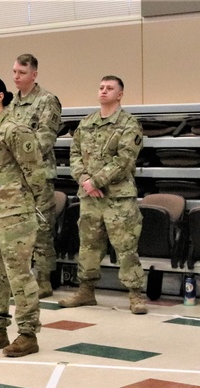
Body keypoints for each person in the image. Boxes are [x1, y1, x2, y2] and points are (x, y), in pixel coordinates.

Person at [0, 77, 50, 357]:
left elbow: (36, 174)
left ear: (0, 97)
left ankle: (28, 334)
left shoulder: (15, 130)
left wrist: (26, 206)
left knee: (19, 276)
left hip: (14, 215)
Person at [59, 76, 147, 315]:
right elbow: (74, 155)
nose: (104, 91)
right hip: (90, 198)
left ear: (120, 94)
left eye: (109, 88)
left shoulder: (129, 124)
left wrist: (95, 181)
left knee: (126, 246)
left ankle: (136, 294)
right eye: (101, 87)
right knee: (88, 245)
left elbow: (125, 160)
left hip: (118, 198)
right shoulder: (87, 123)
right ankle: (86, 291)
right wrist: (85, 181)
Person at [8, 53, 63, 297]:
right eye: (14, 72)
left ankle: (44, 280)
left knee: (41, 229)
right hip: (15, 177)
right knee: (18, 229)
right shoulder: (11, 104)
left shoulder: (47, 101)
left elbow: (45, 138)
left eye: (21, 72)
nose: (16, 77)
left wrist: (18, 154)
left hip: (38, 175)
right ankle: (22, 277)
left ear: (34, 74)